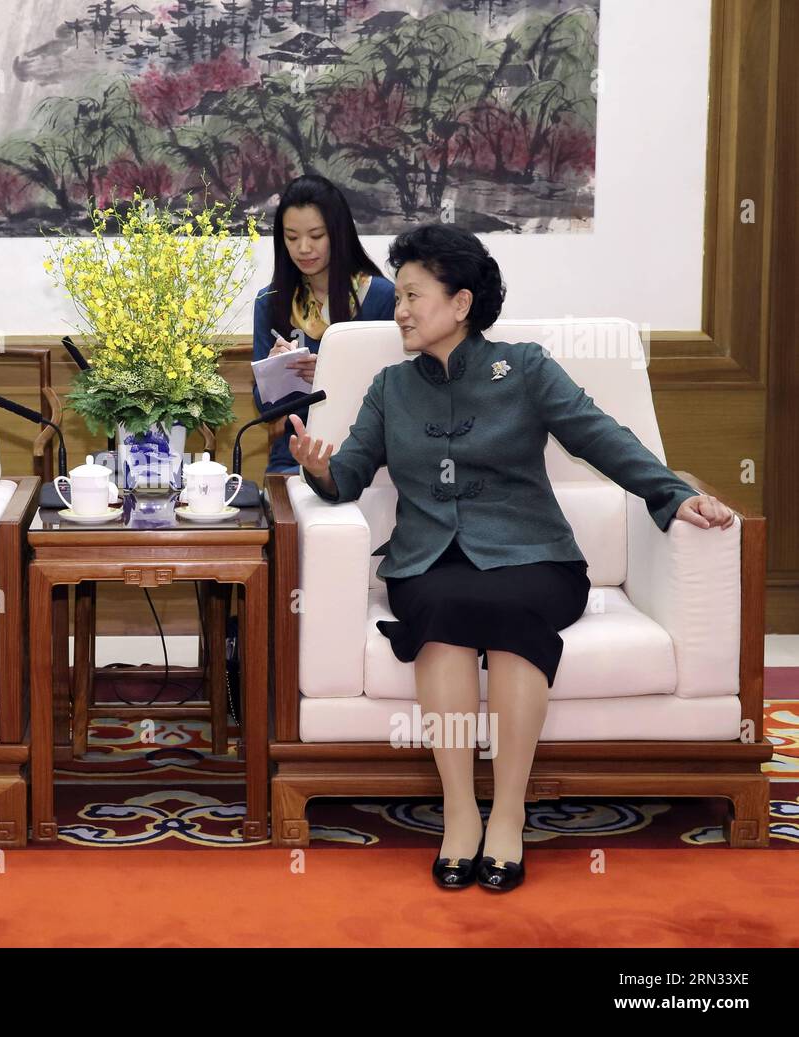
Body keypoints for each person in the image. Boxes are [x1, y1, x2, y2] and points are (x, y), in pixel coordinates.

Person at [288, 223, 735, 892]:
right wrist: (317, 469)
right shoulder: (390, 389)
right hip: (428, 562)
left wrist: (672, 495)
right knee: (442, 608)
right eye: (400, 296)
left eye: (413, 294)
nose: (400, 309)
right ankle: (461, 813)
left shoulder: (524, 368)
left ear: (461, 303)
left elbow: (602, 438)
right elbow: (348, 474)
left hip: (534, 556)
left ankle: (510, 812)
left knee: (509, 613)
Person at [252, 174, 394, 473]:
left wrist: (332, 375)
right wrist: (273, 373)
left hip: (364, 458)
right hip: (293, 457)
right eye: (292, 237)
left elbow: (396, 394)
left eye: (316, 236)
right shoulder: (271, 302)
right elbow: (266, 411)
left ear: (338, 234)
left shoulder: (381, 296)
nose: (303, 248)